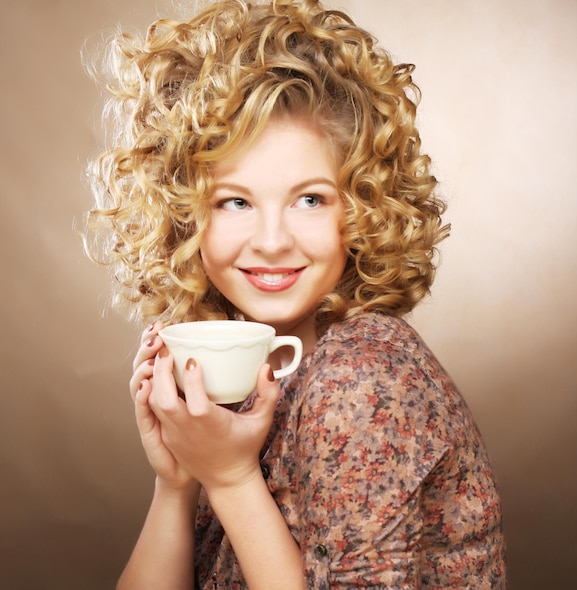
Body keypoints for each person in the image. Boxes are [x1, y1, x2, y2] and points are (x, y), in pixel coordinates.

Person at [85, 0, 507, 587]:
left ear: (361, 207)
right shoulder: (254, 372)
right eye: (235, 201)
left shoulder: (361, 379)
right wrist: (178, 481)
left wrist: (231, 478)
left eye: (309, 199)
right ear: (184, 218)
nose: (273, 241)